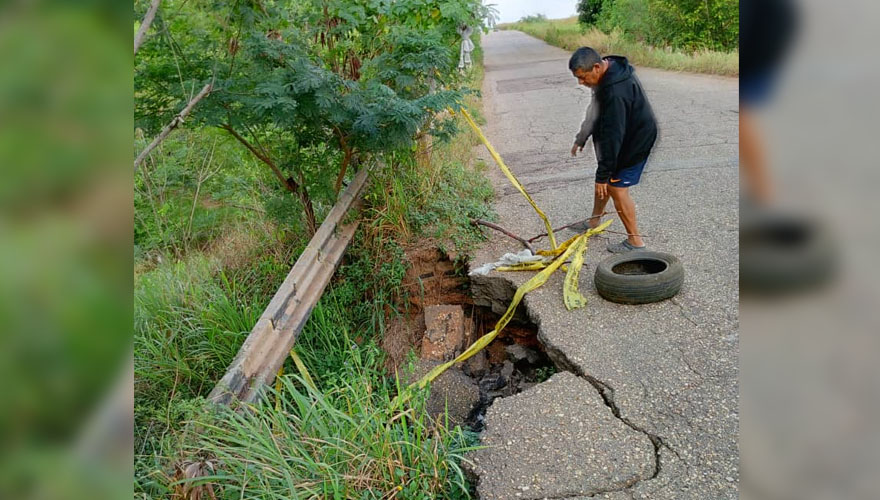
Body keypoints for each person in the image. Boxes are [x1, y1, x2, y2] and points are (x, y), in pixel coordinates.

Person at [568, 47, 658, 252]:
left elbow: (612, 136)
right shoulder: (606, 75)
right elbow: (595, 109)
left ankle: (635, 242)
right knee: (605, 183)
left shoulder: (615, 92)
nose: (580, 83)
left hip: (634, 142)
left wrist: (602, 175)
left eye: (582, 77)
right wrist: (582, 136)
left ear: (596, 67)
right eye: (577, 78)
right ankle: (594, 221)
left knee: (615, 187)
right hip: (622, 138)